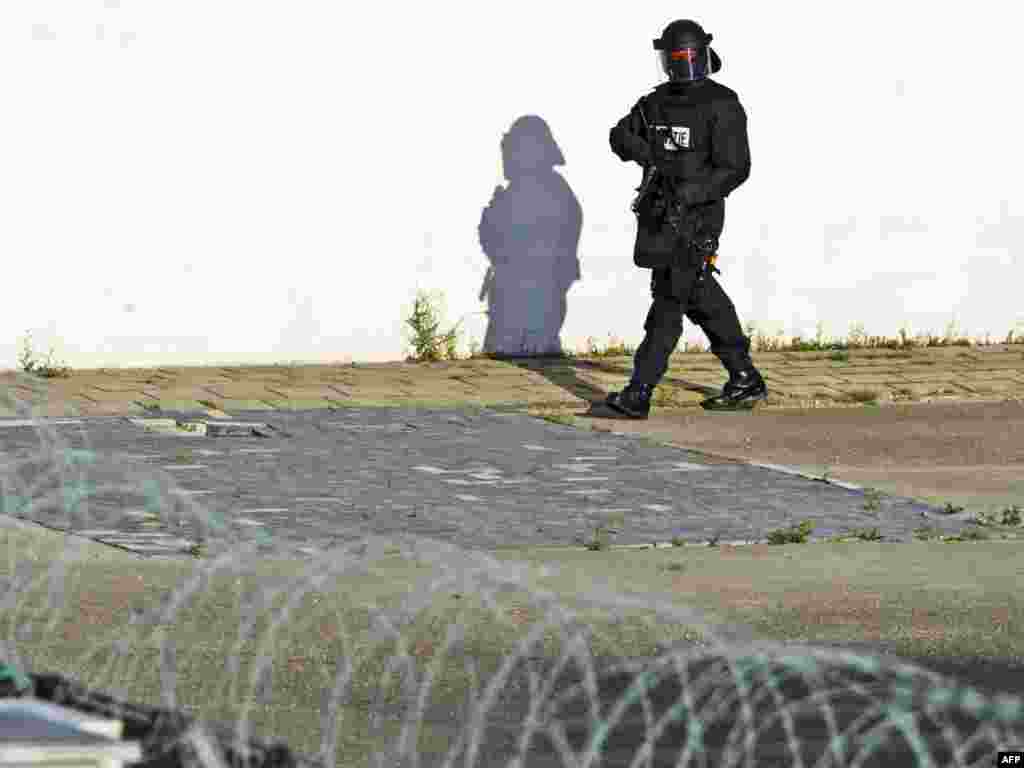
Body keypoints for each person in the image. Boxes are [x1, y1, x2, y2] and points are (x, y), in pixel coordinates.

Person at [605, 19, 768, 418]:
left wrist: (690, 193)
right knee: (697, 293)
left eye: (685, 58)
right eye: (675, 59)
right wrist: (647, 153)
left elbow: (735, 168)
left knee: (669, 299)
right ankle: (745, 378)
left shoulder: (722, 104)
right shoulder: (655, 102)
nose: (680, 66)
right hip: (659, 214)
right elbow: (618, 136)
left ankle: (639, 391)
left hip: (698, 217)